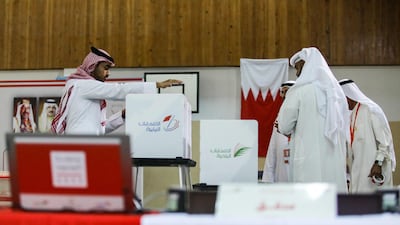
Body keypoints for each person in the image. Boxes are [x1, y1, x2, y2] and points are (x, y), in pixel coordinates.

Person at [51, 46, 181, 135]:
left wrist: (122, 116)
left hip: (87, 146)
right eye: (105, 68)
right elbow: (118, 90)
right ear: (92, 66)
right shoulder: (82, 85)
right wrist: (156, 85)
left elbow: (101, 129)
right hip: (80, 148)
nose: (107, 74)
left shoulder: (85, 90)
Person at [276, 47, 349, 193]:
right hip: (333, 161)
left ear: (305, 65)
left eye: (297, 68)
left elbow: (284, 126)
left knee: (309, 206)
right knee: (332, 203)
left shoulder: (298, 91)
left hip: (308, 160)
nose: (296, 74)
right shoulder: (338, 93)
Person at [339, 79, 396, 193]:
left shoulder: (371, 110)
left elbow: (384, 143)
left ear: (348, 96)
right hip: (358, 170)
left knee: (376, 204)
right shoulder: (351, 115)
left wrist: (378, 163)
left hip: (374, 170)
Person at [262, 80, 295, 183]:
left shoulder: (304, 116)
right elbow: (272, 149)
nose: (285, 96)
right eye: (283, 92)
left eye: (287, 92)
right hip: (281, 177)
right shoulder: (278, 117)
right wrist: (267, 180)